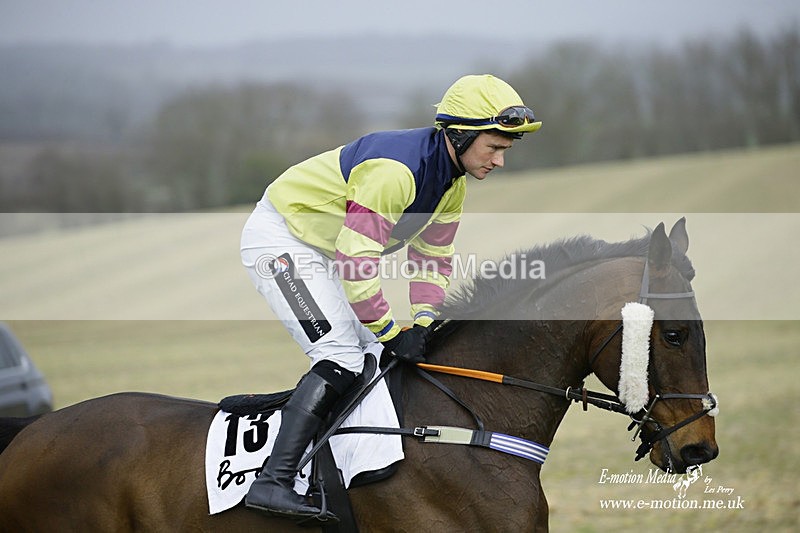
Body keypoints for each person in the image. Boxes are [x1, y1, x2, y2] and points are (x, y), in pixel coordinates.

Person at [239, 74, 541, 521]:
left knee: (369, 357)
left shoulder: (452, 183)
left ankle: (336, 474)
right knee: (341, 353)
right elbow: (356, 258)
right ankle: (273, 481)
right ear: (459, 134)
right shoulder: (394, 171)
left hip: (326, 249)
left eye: (505, 150)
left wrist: (421, 321)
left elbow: (432, 257)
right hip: (282, 240)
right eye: (494, 148)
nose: (499, 160)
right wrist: (389, 330)